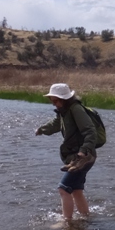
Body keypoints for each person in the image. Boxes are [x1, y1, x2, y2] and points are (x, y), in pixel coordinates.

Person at [35, 83, 97, 222]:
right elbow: (55, 124)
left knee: (63, 189)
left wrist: (83, 151)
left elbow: (90, 132)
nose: (54, 104)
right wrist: (42, 130)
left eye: (55, 100)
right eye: (52, 101)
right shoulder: (65, 111)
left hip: (84, 157)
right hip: (76, 156)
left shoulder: (76, 109)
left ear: (64, 99)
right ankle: (86, 219)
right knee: (76, 190)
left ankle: (66, 223)